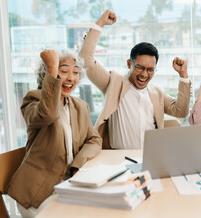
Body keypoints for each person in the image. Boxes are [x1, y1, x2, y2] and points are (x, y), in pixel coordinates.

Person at [7, 49, 102, 218]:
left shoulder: (80, 106)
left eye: (75, 72)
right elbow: (48, 114)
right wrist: (52, 66)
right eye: (63, 71)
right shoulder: (33, 100)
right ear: (47, 74)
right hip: (37, 195)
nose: (70, 78)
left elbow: (94, 139)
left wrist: (77, 165)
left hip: (69, 186)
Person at [79, 10, 191, 149]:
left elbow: (181, 112)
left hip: (151, 159)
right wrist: (100, 23)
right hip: (118, 160)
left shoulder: (157, 93)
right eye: (140, 67)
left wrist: (183, 75)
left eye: (150, 70)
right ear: (129, 64)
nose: (144, 74)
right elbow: (85, 60)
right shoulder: (113, 83)